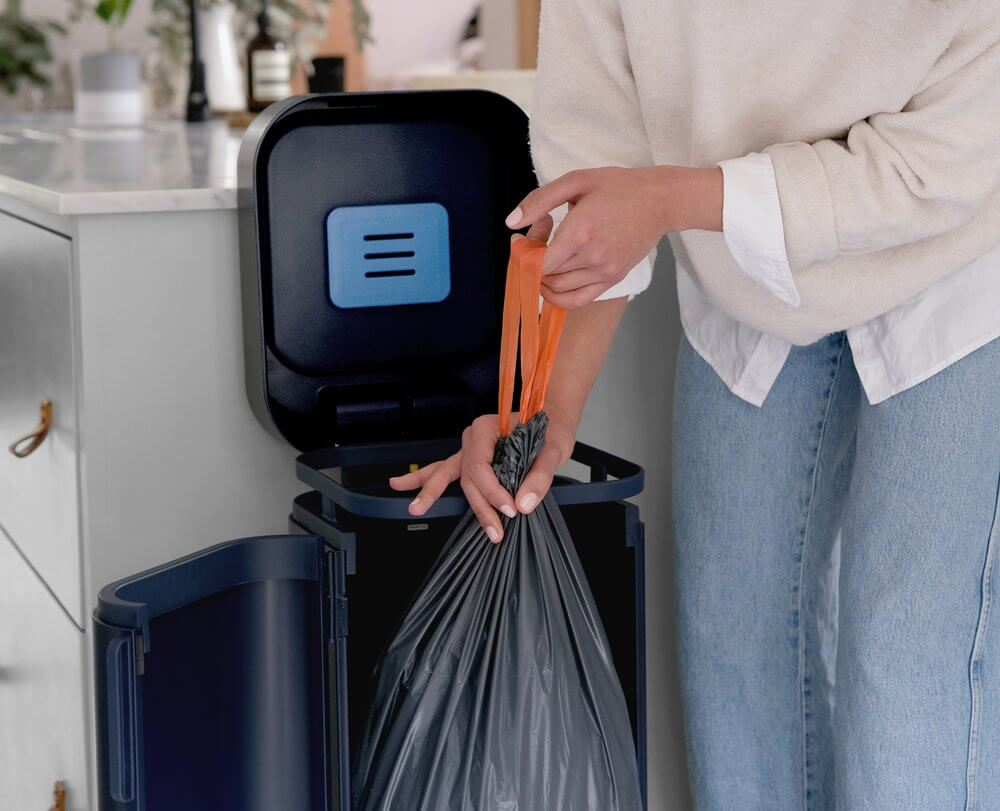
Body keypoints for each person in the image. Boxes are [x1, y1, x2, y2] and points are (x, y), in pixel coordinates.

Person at [389, 1, 1000, 807]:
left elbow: (942, 162)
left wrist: (671, 199)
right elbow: (600, 172)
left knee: (902, 655)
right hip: (739, 280)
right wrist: (543, 410)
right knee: (732, 648)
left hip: (948, 258)